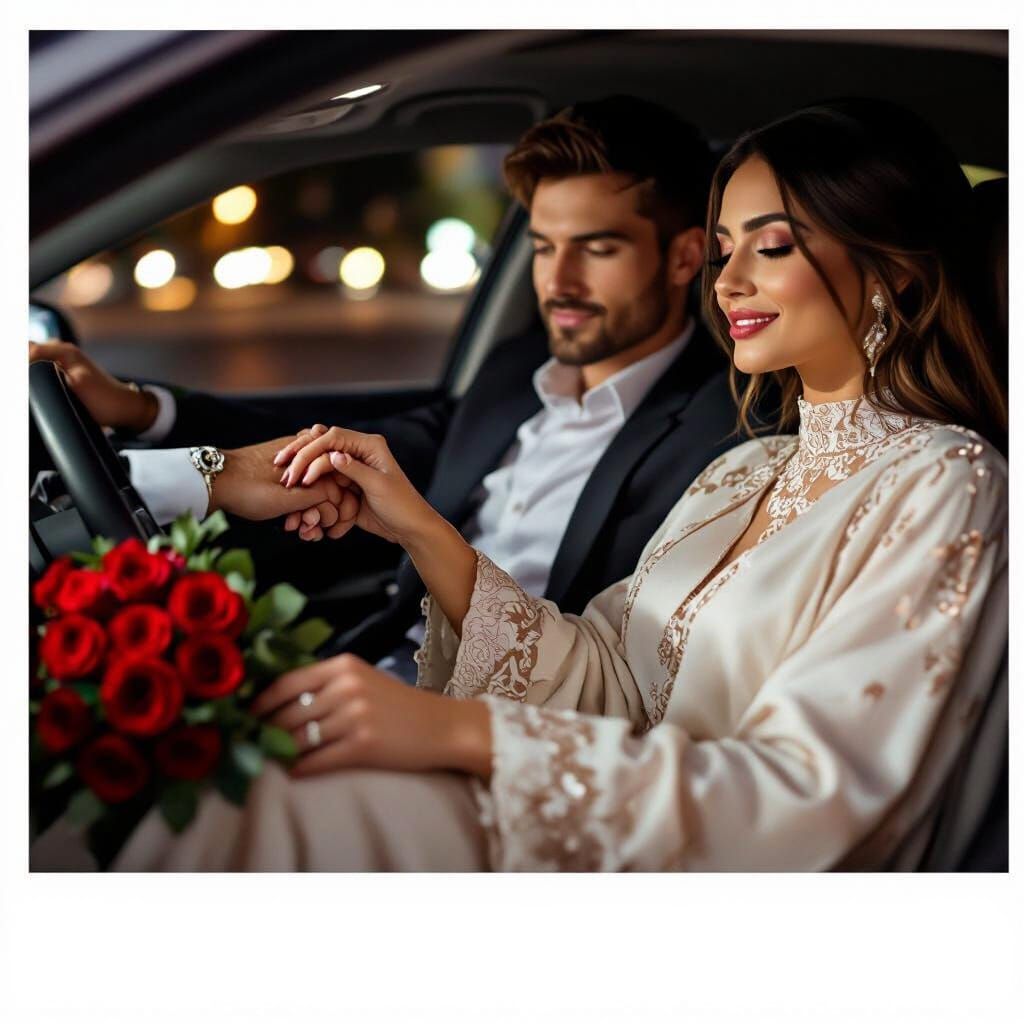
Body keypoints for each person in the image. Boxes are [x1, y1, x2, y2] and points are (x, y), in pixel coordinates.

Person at [41, 96, 1008, 873]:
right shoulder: (742, 469)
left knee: (256, 804)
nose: (727, 283)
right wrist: (422, 533)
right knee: (219, 783)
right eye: (725, 250)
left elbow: (811, 803)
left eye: (775, 245)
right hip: (584, 806)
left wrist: (469, 738)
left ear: (892, 268)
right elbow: (608, 680)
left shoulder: (944, 482)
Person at [30, 96, 746, 684]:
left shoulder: (729, 434)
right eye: (543, 247)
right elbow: (361, 442)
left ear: (685, 256)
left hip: (521, 723)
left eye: (598, 248)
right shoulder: (511, 375)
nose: (558, 283)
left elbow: (636, 670)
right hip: (376, 666)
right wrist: (140, 408)